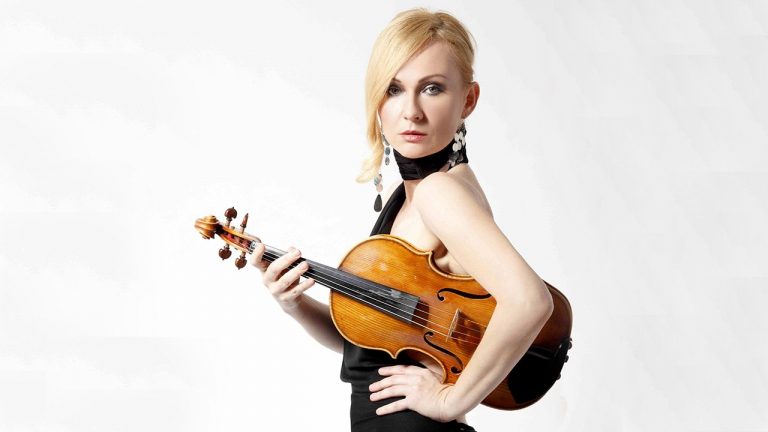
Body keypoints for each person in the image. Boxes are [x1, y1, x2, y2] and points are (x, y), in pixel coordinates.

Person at [251, 8, 554, 432]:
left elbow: (530, 301)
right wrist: (296, 304)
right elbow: (373, 345)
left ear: (468, 100)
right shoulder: (414, 193)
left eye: (432, 88)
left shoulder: (438, 192)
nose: (411, 111)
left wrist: (449, 401)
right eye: (394, 89)